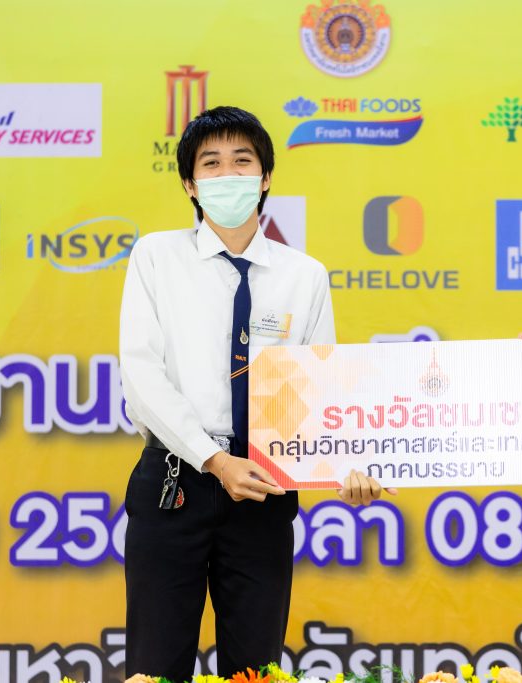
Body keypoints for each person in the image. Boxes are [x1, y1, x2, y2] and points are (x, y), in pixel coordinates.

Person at [119, 105, 386, 681]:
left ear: (265, 177)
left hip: (265, 486)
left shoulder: (303, 275)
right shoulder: (156, 258)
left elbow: (320, 391)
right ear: (190, 184)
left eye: (242, 161)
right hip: (176, 481)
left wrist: (347, 466)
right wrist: (214, 461)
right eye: (211, 164)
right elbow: (141, 377)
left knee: (256, 669)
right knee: (155, 667)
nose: (228, 175)